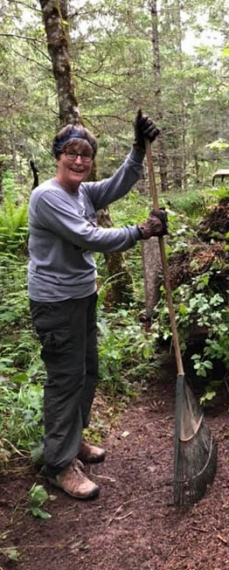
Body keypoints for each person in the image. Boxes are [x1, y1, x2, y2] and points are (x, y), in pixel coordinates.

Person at [28, 111, 165, 500]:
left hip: (82, 296)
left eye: (86, 155)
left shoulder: (82, 192)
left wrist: (138, 149)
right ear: (58, 155)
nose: (78, 161)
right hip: (56, 303)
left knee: (87, 371)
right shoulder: (49, 197)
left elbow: (117, 184)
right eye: (71, 152)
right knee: (65, 379)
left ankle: (72, 442)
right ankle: (58, 464)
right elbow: (89, 236)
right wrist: (140, 231)